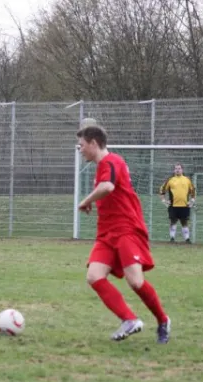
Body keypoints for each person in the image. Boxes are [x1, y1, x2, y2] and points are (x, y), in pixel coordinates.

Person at [76, 119, 170, 344]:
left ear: (94, 143)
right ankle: (129, 319)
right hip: (107, 232)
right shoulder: (104, 165)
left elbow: (107, 187)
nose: (80, 149)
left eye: (82, 145)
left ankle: (163, 320)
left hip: (126, 229)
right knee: (94, 277)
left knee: (135, 282)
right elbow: (106, 188)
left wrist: (85, 200)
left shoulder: (111, 161)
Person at [159, 163, 196, 243]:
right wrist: (164, 201)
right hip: (173, 205)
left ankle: (187, 239)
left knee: (184, 222)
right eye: (176, 168)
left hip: (185, 205)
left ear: (182, 170)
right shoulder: (170, 180)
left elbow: (193, 191)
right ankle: (172, 238)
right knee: (173, 221)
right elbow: (162, 190)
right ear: (174, 170)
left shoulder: (187, 180)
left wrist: (192, 200)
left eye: (179, 168)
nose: (177, 170)